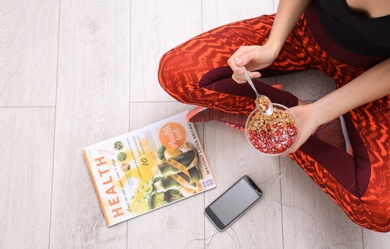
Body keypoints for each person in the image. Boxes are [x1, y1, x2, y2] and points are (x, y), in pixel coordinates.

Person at [158, 0, 390, 232]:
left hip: (372, 76)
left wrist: (318, 113)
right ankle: (283, 111)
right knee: (176, 73)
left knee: (380, 213)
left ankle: (284, 122)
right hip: (303, 33)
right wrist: (273, 44)